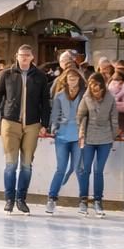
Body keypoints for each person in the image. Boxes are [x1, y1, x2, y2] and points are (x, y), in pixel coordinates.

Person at [0, 45, 51, 215]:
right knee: (11, 164)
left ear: (32, 57)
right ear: (16, 56)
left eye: (27, 55)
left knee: (26, 165)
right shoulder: (7, 73)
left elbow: (45, 101)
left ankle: (21, 199)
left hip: (32, 124)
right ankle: (9, 199)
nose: (24, 58)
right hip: (10, 122)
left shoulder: (40, 76)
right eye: (21, 55)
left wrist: (45, 123)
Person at [76, 71, 118, 217]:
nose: (96, 92)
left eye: (98, 89)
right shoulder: (86, 97)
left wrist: (113, 136)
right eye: (93, 88)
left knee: (98, 170)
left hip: (105, 139)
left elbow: (114, 119)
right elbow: (79, 115)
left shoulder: (110, 99)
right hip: (88, 138)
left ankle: (98, 201)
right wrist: (81, 130)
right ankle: (83, 200)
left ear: (103, 87)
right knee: (85, 170)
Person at [45, 66, 84, 214]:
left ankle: (83, 200)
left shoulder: (85, 95)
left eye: (74, 78)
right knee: (61, 168)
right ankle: (52, 198)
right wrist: (54, 128)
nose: (72, 80)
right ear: (65, 80)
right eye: (69, 78)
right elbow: (55, 114)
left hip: (79, 135)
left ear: (79, 79)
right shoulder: (60, 95)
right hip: (62, 136)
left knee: (79, 169)